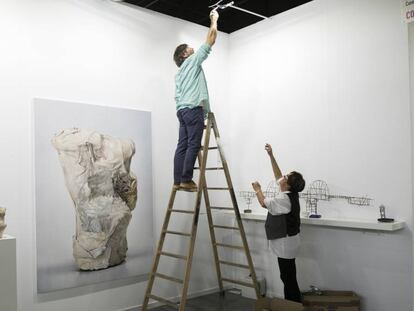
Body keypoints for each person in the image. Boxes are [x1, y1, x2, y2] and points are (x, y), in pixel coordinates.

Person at [172, 9, 219, 192]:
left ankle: (177, 180)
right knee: (193, 144)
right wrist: (214, 19)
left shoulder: (178, 74)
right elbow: (211, 39)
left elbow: (177, 96)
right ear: (184, 54)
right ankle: (186, 179)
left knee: (182, 145)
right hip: (192, 109)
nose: (192, 48)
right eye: (189, 48)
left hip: (181, 111)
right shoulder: (192, 61)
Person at [252, 143, 305, 303]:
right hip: (290, 241)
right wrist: (271, 156)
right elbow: (278, 175)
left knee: (287, 277)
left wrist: (257, 189)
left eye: (286, 177)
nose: (283, 177)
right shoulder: (289, 193)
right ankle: (293, 303)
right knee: (288, 275)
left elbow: (263, 203)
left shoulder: (283, 198)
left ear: (287, 184)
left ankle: (293, 304)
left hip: (286, 243)